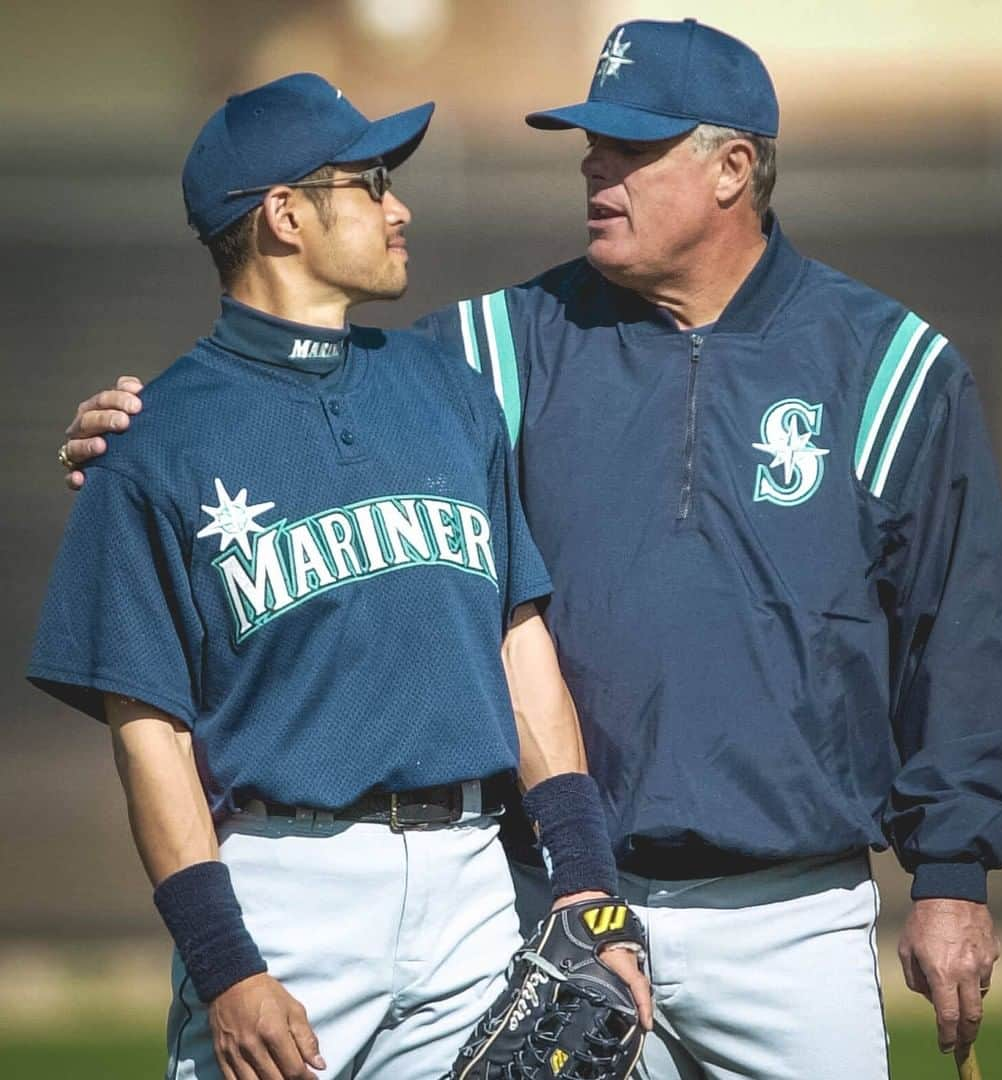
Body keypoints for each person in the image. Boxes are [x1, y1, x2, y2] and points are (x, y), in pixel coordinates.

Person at [59, 19, 1002, 1080]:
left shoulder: (891, 365)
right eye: (590, 140)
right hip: (549, 911)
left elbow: (969, 636)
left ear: (732, 170)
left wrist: (953, 874)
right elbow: (299, 387)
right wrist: (127, 430)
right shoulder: (487, 350)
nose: (593, 164)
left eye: (631, 147)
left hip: (789, 913)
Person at [33, 73, 648, 1080]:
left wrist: (585, 881)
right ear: (282, 215)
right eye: (368, 182)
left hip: (471, 882)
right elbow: (150, 735)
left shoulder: (447, 390)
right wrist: (225, 965)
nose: (397, 205)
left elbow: (517, 641)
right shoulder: (154, 445)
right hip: (288, 896)